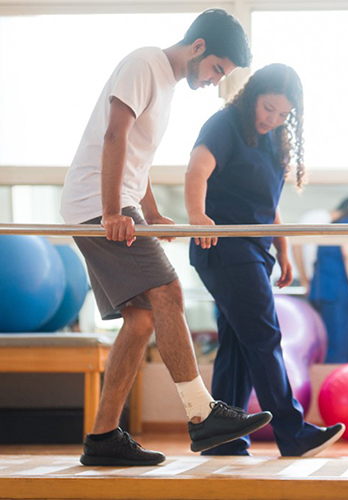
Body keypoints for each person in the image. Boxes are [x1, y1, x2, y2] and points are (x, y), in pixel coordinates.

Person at [60, 9, 272, 467]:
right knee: (169, 292)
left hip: (113, 202)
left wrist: (151, 212)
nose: (215, 81)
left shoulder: (166, 83)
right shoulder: (145, 64)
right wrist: (116, 211)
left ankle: (102, 438)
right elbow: (114, 134)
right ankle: (202, 414)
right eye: (217, 68)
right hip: (97, 204)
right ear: (197, 47)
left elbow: (137, 153)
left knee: (140, 321)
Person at [185, 63, 345, 457]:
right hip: (223, 248)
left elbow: (267, 205)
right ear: (253, 96)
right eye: (268, 108)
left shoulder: (273, 139)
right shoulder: (225, 125)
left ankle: (221, 438)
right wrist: (197, 217)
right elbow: (195, 172)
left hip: (254, 252)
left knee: (239, 344)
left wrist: (283, 247)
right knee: (264, 336)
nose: (272, 119)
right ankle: (293, 433)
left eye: (282, 114)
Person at [295, 198, 348, 363]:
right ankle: (335, 387)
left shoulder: (333, 225)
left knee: (343, 345)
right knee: (338, 350)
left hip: (322, 292)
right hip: (337, 293)